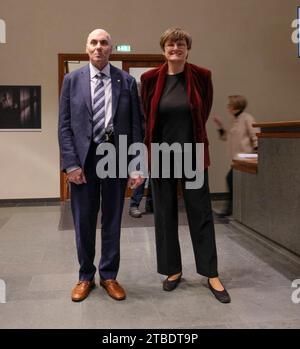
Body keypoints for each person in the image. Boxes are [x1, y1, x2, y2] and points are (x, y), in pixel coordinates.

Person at [141, 28, 231, 303]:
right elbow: (147, 116)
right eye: (170, 44)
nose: (175, 48)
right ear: (163, 49)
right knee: (164, 214)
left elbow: (202, 113)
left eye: (180, 44)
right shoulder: (149, 79)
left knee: (200, 213)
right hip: (161, 155)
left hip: (192, 154)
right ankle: (172, 270)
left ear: (187, 48)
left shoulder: (202, 76)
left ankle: (210, 272)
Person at [58, 29, 143, 302]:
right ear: (86, 48)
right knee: (83, 220)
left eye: (104, 43)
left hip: (116, 158)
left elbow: (135, 126)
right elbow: (65, 127)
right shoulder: (72, 80)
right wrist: (71, 164)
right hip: (84, 160)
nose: (98, 47)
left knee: (113, 219)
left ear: (111, 48)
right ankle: (85, 276)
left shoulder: (126, 81)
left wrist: (136, 165)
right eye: (93, 42)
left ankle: (109, 276)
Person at [213, 95, 259, 217]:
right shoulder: (234, 120)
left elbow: (255, 134)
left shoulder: (247, 118)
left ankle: (229, 208)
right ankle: (233, 208)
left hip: (246, 157)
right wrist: (219, 126)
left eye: (229, 105)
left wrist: (256, 149)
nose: (228, 107)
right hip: (237, 159)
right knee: (233, 180)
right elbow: (226, 137)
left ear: (235, 106)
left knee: (230, 179)